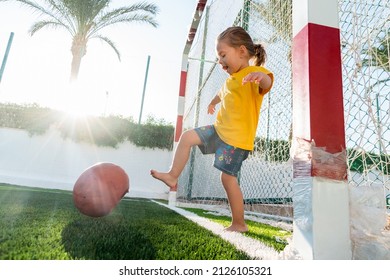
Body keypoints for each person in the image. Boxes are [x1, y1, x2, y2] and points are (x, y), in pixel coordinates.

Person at [151, 26, 274, 232]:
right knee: (187, 136)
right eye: (218, 57)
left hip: (236, 140)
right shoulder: (231, 79)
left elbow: (267, 82)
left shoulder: (256, 72)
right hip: (219, 131)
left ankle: (239, 223)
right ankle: (173, 175)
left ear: (242, 51)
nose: (220, 61)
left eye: (223, 55)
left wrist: (259, 77)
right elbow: (222, 92)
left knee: (227, 178)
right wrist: (212, 102)